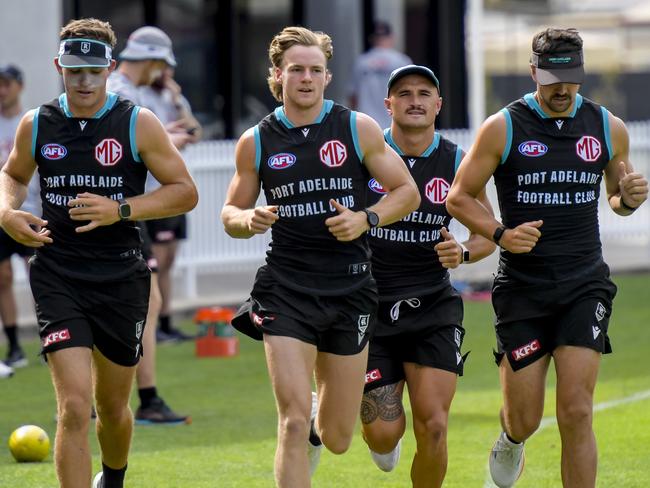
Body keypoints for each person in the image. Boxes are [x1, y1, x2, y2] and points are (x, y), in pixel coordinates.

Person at [446, 28, 648, 488]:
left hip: (584, 283)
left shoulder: (605, 127)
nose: (563, 88)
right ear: (534, 71)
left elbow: (616, 197)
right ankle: (511, 439)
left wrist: (630, 199)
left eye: (571, 76)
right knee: (525, 418)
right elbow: (458, 197)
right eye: (553, 76)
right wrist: (500, 234)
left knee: (577, 410)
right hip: (523, 289)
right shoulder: (504, 126)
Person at [0, 18, 198, 488]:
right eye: (74, 71)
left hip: (120, 277)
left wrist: (121, 209)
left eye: (93, 70)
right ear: (58, 68)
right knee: (73, 406)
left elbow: (184, 191)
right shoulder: (38, 123)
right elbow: (12, 175)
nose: (84, 81)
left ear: (110, 68)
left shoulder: (136, 121)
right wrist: (7, 212)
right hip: (58, 273)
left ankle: (112, 476)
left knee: (112, 409)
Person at [221, 26, 419, 488]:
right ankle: (300, 411)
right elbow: (229, 211)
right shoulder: (257, 140)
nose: (306, 78)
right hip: (285, 288)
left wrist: (365, 220)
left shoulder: (356, 127)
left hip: (349, 288)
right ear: (278, 75)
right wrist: (247, 219)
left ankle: (317, 414)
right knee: (290, 421)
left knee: (337, 437)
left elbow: (406, 192)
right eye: (296, 70)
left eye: (315, 70)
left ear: (327, 78)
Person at [360, 65, 496, 487]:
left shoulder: (457, 160)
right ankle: (386, 436)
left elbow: (487, 231)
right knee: (383, 434)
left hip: (433, 304)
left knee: (434, 425)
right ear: (388, 105)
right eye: (404, 93)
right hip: (368, 303)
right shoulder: (364, 154)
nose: (414, 100)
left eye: (424, 93)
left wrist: (464, 251)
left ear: (438, 105)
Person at [107, 25, 192, 425]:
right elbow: (131, 150)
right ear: (156, 60)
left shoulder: (135, 91)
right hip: (124, 209)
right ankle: (146, 399)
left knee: (142, 302)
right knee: (144, 302)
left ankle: (131, 398)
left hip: (131, 208)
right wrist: (170, 142)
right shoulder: (121, 90)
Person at [139, 66, 202, 343]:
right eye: (159, 67)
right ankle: (154, 324)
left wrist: (177, 100)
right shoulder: (140, 96)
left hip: (174, 190)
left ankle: (165, 321)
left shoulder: (173, 99)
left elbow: (194, 132)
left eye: (168, 68)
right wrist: (167, 137)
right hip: (153, 191)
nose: (164, 73)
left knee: (170, 260)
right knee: (156, 262)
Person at [0, 64, 39, 369]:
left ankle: (51, 339)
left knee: (38, 276)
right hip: (1, 213)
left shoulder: (32, 123)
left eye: (7, 84)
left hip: (33, 211)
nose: (2, 90)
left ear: (19, 86)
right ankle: (14, 345)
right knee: (3, 278)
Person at [348, 20, 412, 129]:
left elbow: (353, 97)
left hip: (367, 124)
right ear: (391, 37)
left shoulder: (361, 62)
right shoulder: (402, 61)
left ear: (372, 39)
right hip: (395, 124)